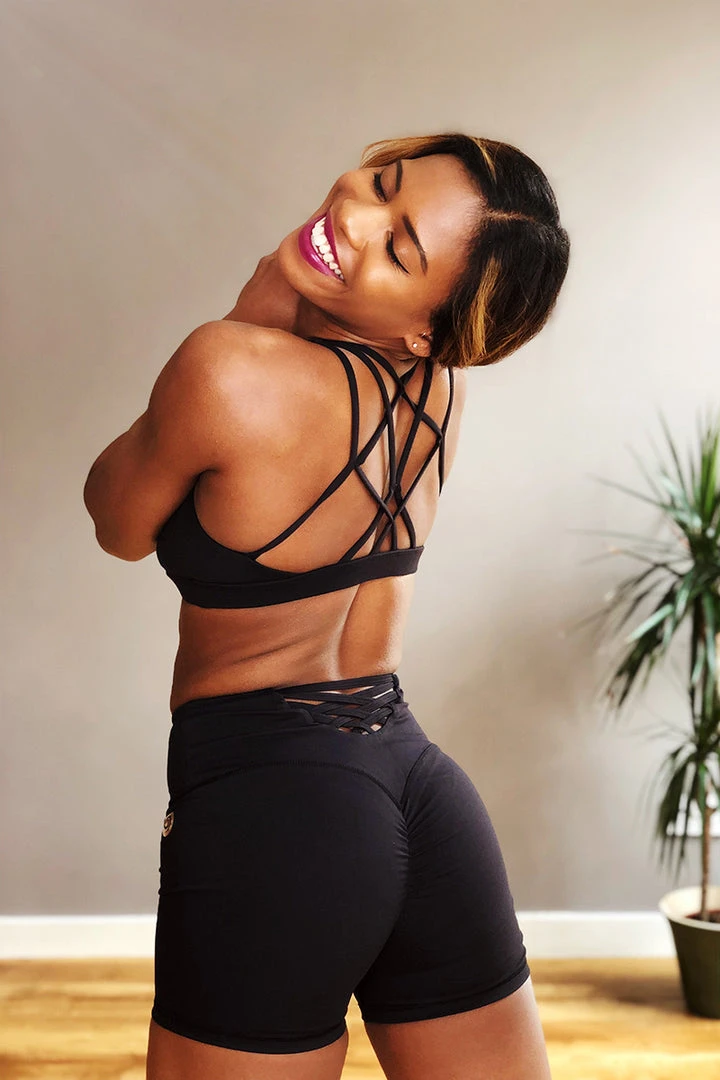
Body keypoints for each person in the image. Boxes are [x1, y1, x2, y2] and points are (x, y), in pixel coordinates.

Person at [83, 131, 570, 1080]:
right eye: (382, 185)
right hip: (421, 789)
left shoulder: (225, 368)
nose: (352, 219)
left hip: (274, 807)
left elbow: (116, 519)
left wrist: (248, 314)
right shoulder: (439, 391)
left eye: (399, 248)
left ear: (427, 326)